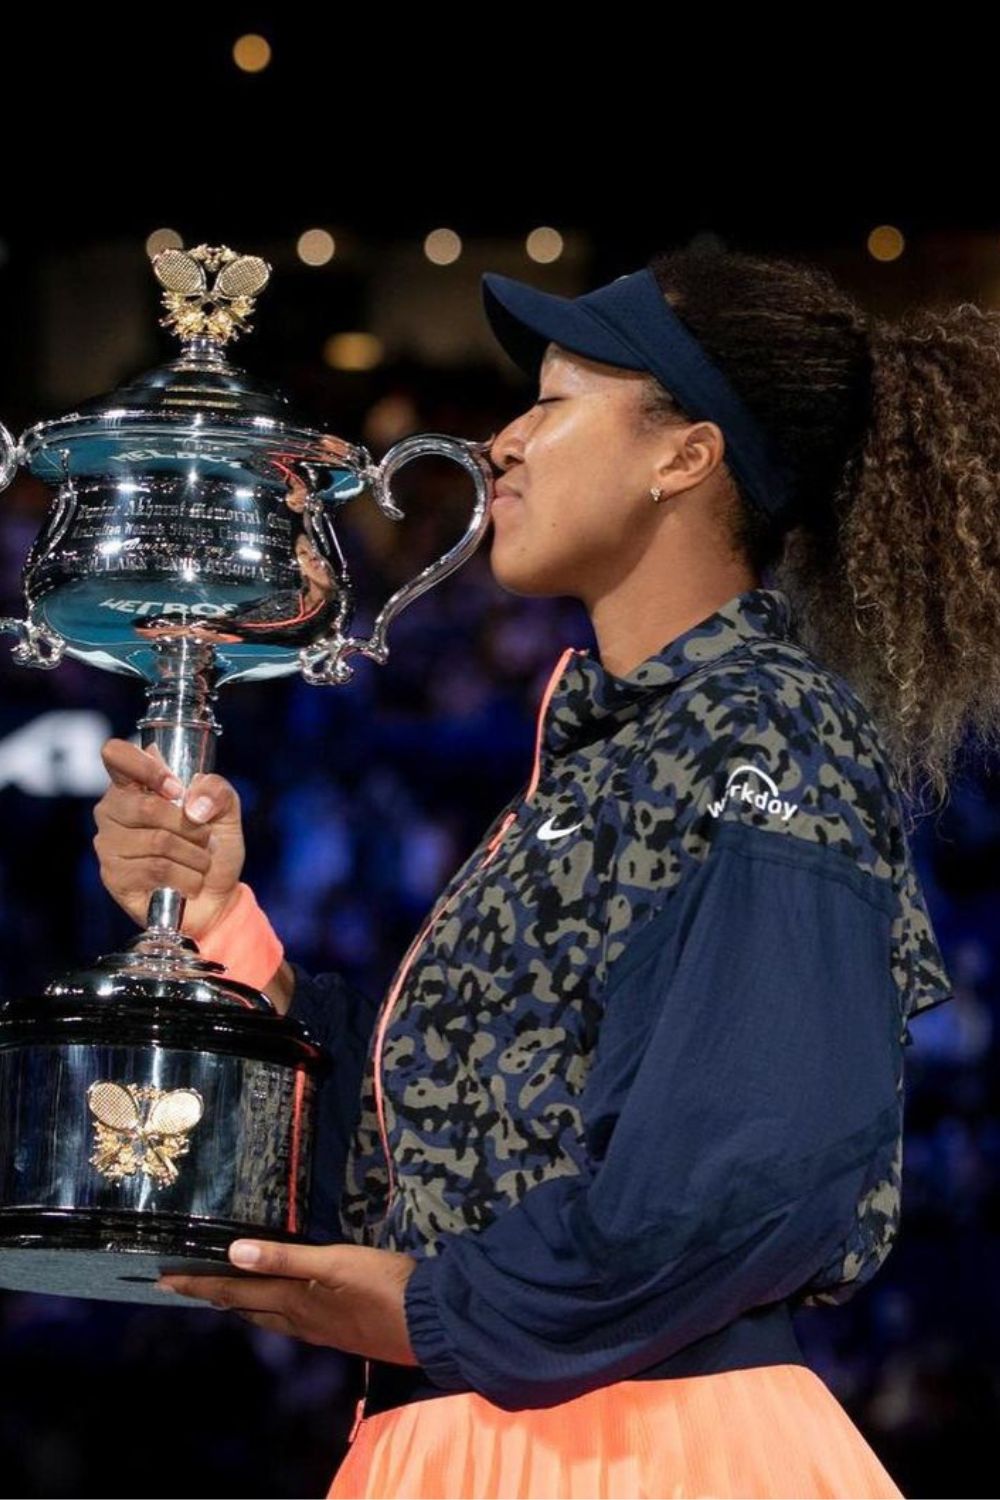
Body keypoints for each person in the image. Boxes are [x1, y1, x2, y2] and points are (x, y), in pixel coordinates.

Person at [91, 244, 988, 1498]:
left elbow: (746, 1167)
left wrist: (436, 1314)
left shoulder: (764, 729)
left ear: (686, 455)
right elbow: (448, 1158)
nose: (502, 443)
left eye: (551, 403)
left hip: (641, 1448)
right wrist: (219, 927)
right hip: (492, 1436)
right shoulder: (612, 752)